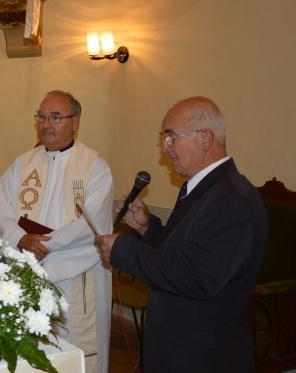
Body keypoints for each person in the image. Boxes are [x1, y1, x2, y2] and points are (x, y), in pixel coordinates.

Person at [94, 97, 268, 373]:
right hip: (178, 346)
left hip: (203, 357)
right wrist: (147, 228)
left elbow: (196, 277)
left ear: (206, 138)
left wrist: (123, 249)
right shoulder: (203, 189)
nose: (165, 148)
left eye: (171, 137)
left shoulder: (232, 199)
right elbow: (180, 254)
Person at [0, 90, 114, 373]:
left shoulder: (95, 168)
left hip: (76, 279)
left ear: (76, 122)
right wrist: (20, 238)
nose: (46, 124)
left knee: (76, 353)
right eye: (41, 116)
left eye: (55, 117)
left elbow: (91, 223)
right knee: (32, 352)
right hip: (28, 274)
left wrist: (44, 244)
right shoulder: (22, 164)